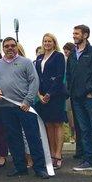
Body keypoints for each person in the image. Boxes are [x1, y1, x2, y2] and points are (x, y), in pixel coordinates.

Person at [0, 37, 49, 179]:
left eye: (12, 45)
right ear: (3, 48)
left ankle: (39, 168)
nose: (10, 48)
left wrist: (28, 100)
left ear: (16, 47)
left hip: (25, 106)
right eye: (7, 46)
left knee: (32, 137)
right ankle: (20, 167)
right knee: (13, 138)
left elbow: (34, 81)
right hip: (6, 107)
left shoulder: (26, 62)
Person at [66, 25, 92, 173]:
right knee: (84, 130)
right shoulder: (72, 54)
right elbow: (69, 75)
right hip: (76, 99)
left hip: (91, 98)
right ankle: (88, 160)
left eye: (77, 33)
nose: (74, 35)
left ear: (85, 35)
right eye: (73, 33)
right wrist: (70, 92)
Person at [34, 33, 68, 170]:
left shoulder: (58, 56)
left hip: (56, 95)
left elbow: (59, 76)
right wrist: (39, 94)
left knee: (57, 124)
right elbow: (36, 77)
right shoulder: (39, 57)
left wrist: (49, 93)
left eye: (50, 41)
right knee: (48, 125)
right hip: (42, 96)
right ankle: (51, 154)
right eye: (45, 41)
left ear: (54, 43)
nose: (47, 43)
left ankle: (58, 155)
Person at [62, 43, 78, 148]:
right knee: (70, 115)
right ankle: (72, 134)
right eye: (64, 51)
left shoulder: (75, 60)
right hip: (67, 93)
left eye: (67, 50)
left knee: (76, 115)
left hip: (75, 92)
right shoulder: (64, 61)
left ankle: (76, 135)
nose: (66, 53)